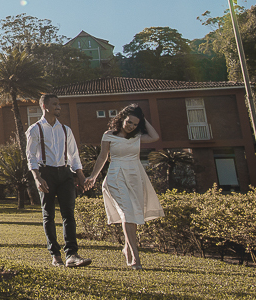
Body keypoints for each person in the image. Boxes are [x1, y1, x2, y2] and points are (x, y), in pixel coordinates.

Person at [84, 103, 163, 270]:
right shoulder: (109, 135)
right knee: (127, 213)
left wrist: (143, 120)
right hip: (116, 176)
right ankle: (136, 257)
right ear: (121, 118)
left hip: (135, 176)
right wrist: (93, 176)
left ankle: (127, 247)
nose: (131, 126)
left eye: (135, 124)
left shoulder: (137, 136)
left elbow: (155, 137)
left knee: (133, 215)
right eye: (129, 122)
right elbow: (102, 157)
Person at [27, 93, 91, 268]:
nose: (59, 107)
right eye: (55, 104)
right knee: (48, 215)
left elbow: (74, 155)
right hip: (46, 174)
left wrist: (80, 175)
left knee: (68, 214)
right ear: (44, 106)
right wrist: (37, 178)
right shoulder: (35, 129)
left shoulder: (66, 130)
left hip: (65, 174)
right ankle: (55, 255)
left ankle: (72, 254)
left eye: (59, 104)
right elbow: (31, 157)